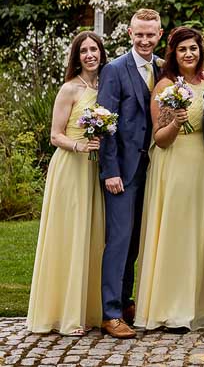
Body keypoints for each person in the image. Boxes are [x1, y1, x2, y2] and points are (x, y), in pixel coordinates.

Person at [135, 27, 204, 331]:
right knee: (177, 233)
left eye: (194, 48)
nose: (189, 54)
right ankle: (171, 308)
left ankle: (202, 306)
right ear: (173, 54)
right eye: (183, 49)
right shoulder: (165, 85)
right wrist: (175, 122)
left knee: (203, 233)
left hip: (203, 164)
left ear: (201, 51)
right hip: (174, 164)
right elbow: (159, 138)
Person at [27, 32, 108, 335]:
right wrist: (78, 147)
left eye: (94, 49)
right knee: (70, 235)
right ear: (77, 56)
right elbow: (55, 135)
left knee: (92, 237)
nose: (90, 55)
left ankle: (89, 310)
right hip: (71, 166)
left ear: (101, 53)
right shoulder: (70, 88)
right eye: (84, 50)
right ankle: (65, 315)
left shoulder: (106, 85)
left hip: (94, 169)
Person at [97, 8, 163, 339]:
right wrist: (110, 170)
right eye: (139, 34)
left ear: (160, 35)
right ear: (129, 34)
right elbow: (105, 123)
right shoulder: (114, 70)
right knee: (120, 240)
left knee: (137, 242)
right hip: (123, 171)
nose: (145, 39)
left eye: (151, 34)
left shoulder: (164, 68)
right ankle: (110, 313)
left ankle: (126, 301)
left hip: (156, 169)